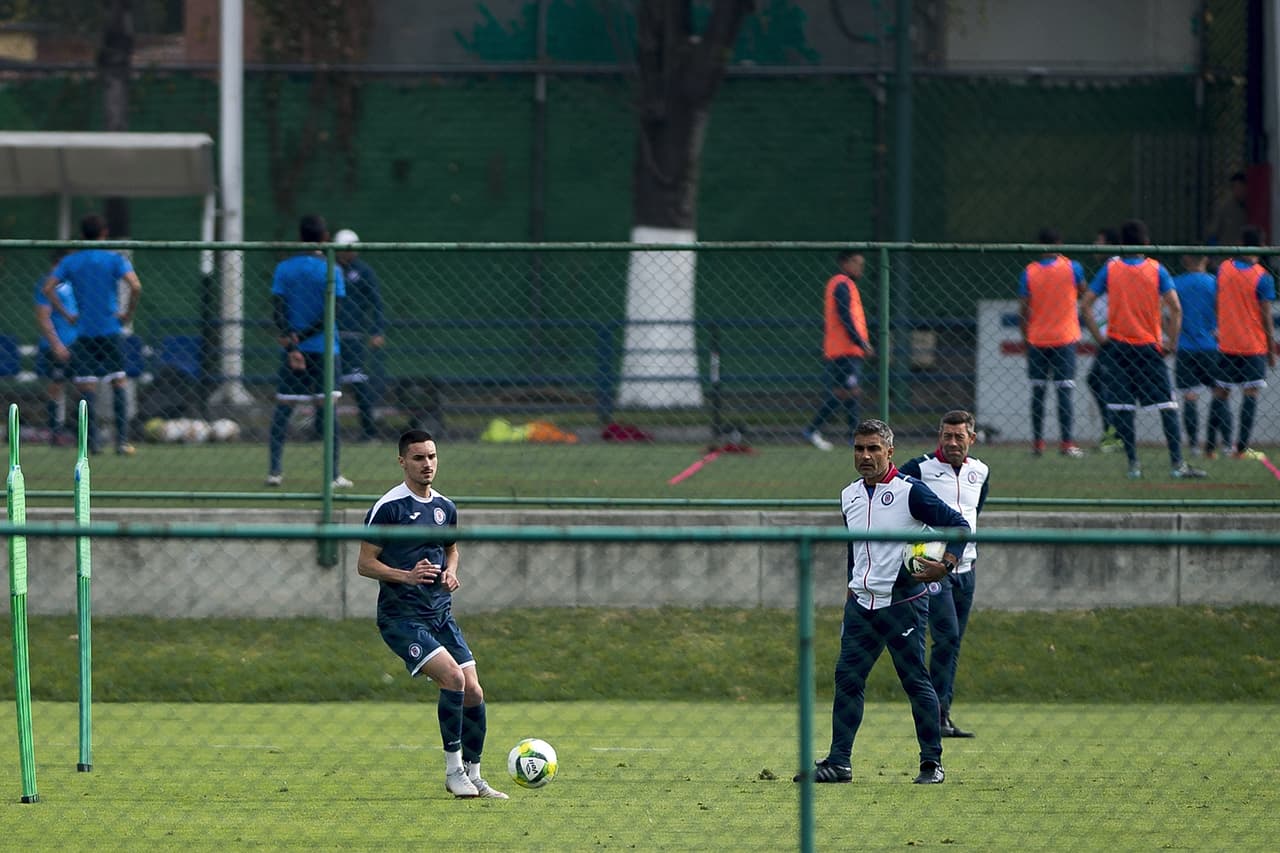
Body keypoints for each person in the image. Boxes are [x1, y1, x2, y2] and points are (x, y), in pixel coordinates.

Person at [795, 418, 970, 787]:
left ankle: (931, 763)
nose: (865, 455)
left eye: (873, 448)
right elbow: (854, 546)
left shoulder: (911, 492)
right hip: (861, 605)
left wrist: (947, 565)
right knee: (847, 679)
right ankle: (839, 763)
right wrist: (849, 585)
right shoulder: (849, 495)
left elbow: (959, 525)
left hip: (902, 603)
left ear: (890, 452)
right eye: (859, 448)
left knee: (915, 680)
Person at [357, 429, 507, 799]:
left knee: (474, 690)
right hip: (402, 619)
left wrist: (452, 570)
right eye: (419, 458)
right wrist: (405, 576)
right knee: (453, 679)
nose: (427, 464)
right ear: (402, 461)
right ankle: (453, 771)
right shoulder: (388, 507)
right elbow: (364, 564)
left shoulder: (446, 507)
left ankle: (475, 774)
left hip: (441, 615)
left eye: (432, 457)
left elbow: (451, 549)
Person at [1080, 219, 1206, 480]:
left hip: (1117, 348)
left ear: (1122, 244)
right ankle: (1177, 464)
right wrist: (1170, 341)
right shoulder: (1156, 269)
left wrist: (1098, 337)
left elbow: (1086, 305)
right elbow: (1176, 308)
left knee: (1123, 407)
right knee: (1167, 405)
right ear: (1147, 242)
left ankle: (1134, 464)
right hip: (1149, 347)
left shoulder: (1111, 269)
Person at [898, 410, 989, 739]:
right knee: (946, 636)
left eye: (959, 437)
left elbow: (973, 514)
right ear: (939, 436)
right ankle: (931, 713)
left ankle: (942, 715)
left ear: (971, 439)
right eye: (946, 436)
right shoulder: (918, 469)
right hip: (935, 571)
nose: (952, 442)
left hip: (967, 568)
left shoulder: (980, 472)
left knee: (953, 643)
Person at [41, 213, 141, 456]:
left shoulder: (71, 262)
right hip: (110, 329)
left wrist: (66, 314)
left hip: (83, 331)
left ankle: (91, 443)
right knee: (118, 381)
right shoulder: (113, 259)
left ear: (82, 234)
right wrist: (127, 313)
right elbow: (135, 285)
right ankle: (121, 441)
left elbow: (48, 288)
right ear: (104, 233)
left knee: (86, 386)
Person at [265, 214, 352, 488]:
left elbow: (277, 309)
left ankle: (275, 471)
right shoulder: (332, 270)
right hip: (325, 349)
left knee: (283, 408)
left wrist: (293, 344)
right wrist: (304, 337)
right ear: (325, 237)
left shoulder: (284, 268)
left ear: (300, 237)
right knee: (328, 410)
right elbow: (331, 313)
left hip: (294, 350)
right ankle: (333, 474)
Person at [1207, 225, 1277, 459]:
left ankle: (1209, 448)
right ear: (1262, 247)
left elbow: (1218, 301)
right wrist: (1270, 348)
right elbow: (1266, 315)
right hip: (1253, 344)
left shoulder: (1224, 268)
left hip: (1227, 342)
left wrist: (1220, 326)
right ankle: (1241, 448)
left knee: (1220, 393)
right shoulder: (1262, 277)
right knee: (1250, 395)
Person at [1018, 227, 1086, 457]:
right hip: (1065, 337)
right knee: (1064, 390)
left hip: (1037, 338)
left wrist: (1025, 336)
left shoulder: (1030, 272)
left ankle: (1038, 444)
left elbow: (1023, 309)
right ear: (1059, 243)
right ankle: (1067, 443)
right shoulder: (1072, 268)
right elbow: (1084, 295)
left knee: (1038, 392)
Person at [314, 229, 386, 442]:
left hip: (353, 337)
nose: (348, 253)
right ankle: (320, 432)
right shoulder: (328, 269)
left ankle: (368, 432)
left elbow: (376, 302)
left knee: (359, 384)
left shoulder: (363, 272)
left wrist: (377, 330)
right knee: (325, 385)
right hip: (328, 336)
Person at [802, 250, 874, 451]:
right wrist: (862, 343)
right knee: (848, 391)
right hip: (845, 350)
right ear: (844, 263)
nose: (860, 267)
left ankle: (851, 435)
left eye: (862, 263)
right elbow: (846, 317)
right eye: (856, 262)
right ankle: (814, 429)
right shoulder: (841, 284)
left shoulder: (846, 284)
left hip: (847, 350)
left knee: (850, 392)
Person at [1170, 255, 1219, 456]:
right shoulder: (1215, 283)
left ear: (1185, 259)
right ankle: (1216, 445)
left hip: (1184, 347)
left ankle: (1193, 446)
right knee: (1220, 393)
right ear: (1206, 259)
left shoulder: (1176, 283)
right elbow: (1223, 310)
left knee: (1190, 396)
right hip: (1210, 346)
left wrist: (1171, 336)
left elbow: (1166, 313)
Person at [33, 250, 78, 447]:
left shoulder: (74, 283)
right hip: (57, 345)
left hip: (78, 343)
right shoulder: (48, 284)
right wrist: (57, 344)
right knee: (56, 385)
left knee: (81, 387)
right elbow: (43, 316)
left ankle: (76, 429)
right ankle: (54, 430)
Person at [1087, 227, 1123, 453]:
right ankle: (1114, 432)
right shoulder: (1113, 266)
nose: (1094, 245)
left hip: (1113, 337)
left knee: (1106, 382)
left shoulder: (1113, 267)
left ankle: (1115, 433)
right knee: (1099, 381)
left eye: (1098, 240)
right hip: (1109, 336)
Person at [1207, 171, 1249, 247]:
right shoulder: (1224, 207)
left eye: (1241, 187)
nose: (1239, 191)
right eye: (1236, 187)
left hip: (1244, 254)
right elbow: (1212, 234)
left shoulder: (1250, 206)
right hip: (1226, 253)